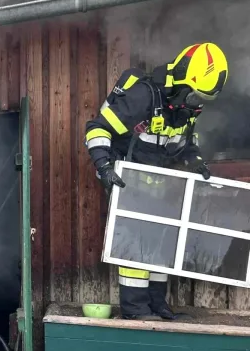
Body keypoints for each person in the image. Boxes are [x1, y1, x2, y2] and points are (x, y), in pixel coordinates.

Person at [85, 43, 228, 320]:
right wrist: (104, 166)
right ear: (182, 80)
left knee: (161, 245)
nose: (196, 104)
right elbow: (97, 128)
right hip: (129, 186)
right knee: (136, 248)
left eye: (203, 100)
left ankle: (156, 304)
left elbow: (184, 145)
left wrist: (196, 162)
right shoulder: (143, 96)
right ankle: (135, 310)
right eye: (195, 96)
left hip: (161, 191)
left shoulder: (184, 109)